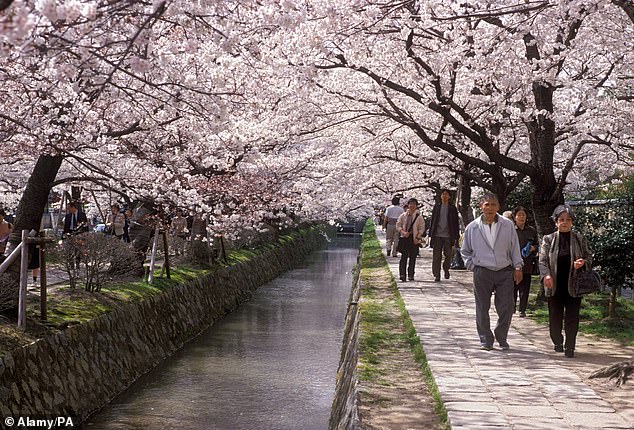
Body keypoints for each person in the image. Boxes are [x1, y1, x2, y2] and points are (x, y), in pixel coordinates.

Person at [461, 193, 523, 351]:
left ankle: (501, 335)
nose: (490, 208)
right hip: (482, 271)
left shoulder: (507, 225)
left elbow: (515, 248)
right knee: (482, 306)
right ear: (481, 206)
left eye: (493, 205)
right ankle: (485, 338)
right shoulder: (473, 227)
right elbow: (465, 251)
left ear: (498, 207)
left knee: (507, 306)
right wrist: (472, 266)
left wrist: (517, 267)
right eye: (487, 204)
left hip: (504, 270)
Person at [539, 205, 592, 358]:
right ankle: (557, 341)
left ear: (572, 222)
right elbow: (542, 261)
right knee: (555, 316)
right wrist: (546, 275)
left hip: (574, 285)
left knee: (572, 317)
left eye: (568, 220)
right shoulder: (548, 239)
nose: (565, 223)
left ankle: (570, 346)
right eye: (561, 220)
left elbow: (589, 257)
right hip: (554, 284)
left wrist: (582, 263)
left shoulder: (579, 238)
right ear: (556, 222)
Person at [428, 189, 460, 282]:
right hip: (437, 234)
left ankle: (446, 268)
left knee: (448, 255)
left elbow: (455, 223)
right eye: (443, 194)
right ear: (441, 196)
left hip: (448, 235)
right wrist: (431, 234)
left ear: (449, 197)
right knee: (436, 256)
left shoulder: (452, 208)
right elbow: (433, 221)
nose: (444, 196)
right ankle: (436, 275)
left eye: (446, 194)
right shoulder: (437, 207)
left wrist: (456, 237)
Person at [512, 206, 539, 318]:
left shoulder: (531, 231)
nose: (522, 217)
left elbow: (538, 244)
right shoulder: (511, 230)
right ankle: (511, 308)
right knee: (513, 287)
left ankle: (522, 309)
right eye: (519, 215)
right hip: (512, 264)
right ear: (514, 217)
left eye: (523, 215)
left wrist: (533, 248)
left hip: (527, 263)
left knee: (525, 288)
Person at [395, 198, 425, 282]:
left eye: (414, 204)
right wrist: (402, 231)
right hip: (404, 238)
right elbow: (398, 225)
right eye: (410, 204)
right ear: (408, 205)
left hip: (414, 238)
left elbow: (422, 228)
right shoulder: (403, 215)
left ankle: (411, 274)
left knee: (413, 257)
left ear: (416, 206)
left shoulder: (419, 217)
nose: (412, 206)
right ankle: (402, 274)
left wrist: (418, 235)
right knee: (404, 257)